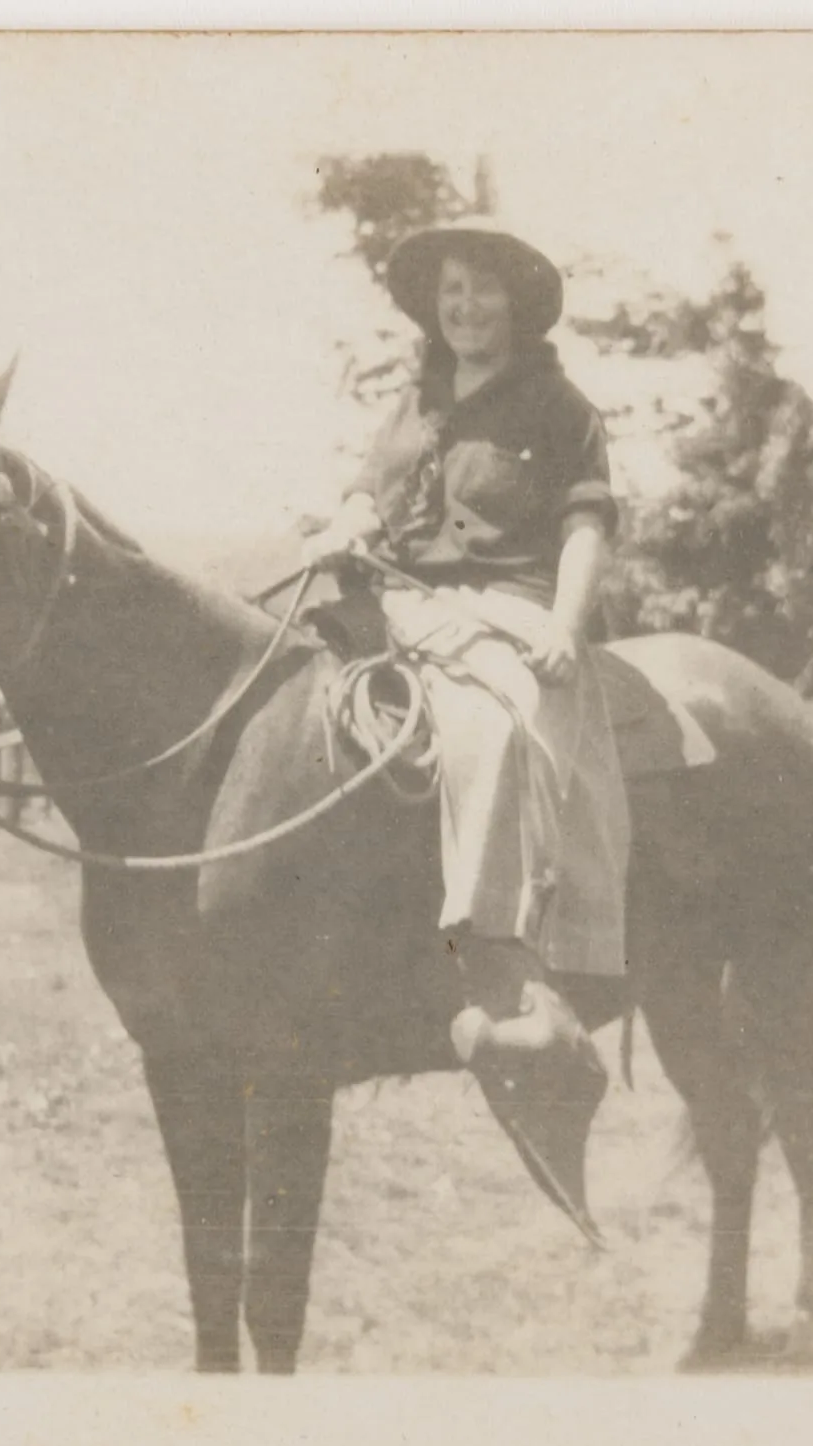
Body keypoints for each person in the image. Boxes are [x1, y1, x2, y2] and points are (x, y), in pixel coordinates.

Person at [304, 219, 630, 1190]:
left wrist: (564, 624)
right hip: (400, 601)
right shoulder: (416, 400)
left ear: (516, 304)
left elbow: (585, 526)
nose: (465, 306)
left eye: (483, 289)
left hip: (508, 607)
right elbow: (368, 494)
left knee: (489, 725)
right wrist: (343, 524)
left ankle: (506, 971)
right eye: (451, 290)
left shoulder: (560, 407)